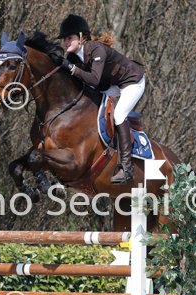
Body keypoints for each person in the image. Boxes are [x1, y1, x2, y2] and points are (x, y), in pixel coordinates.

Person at [56, 14, 145, 184]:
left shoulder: (97, 50)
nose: (66, 42)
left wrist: (72, 69)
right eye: (64, 39)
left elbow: (94, 79)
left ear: (81, 37)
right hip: (111, 85)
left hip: (132, 81)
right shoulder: (73, 57)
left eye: (69, 38)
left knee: (119, 115)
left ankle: (126, 169)